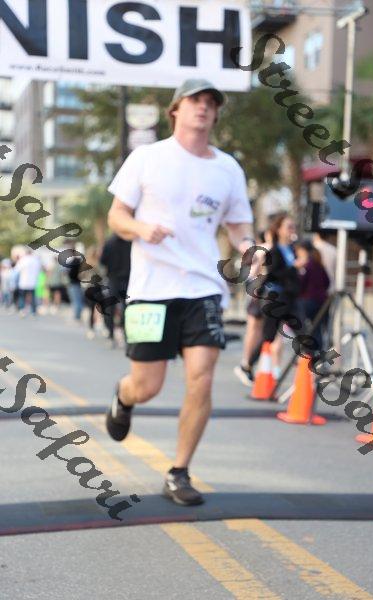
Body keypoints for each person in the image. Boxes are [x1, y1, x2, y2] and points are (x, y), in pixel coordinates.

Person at [105, 79, 254, 506]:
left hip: (203, 287)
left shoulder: (227, 168)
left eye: (211, 102)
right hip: (150, 290)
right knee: (146, 385)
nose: (203, 107)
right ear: (175, 110)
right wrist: (140, 228)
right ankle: (123, 397)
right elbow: (117, 216)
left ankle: (179, 472)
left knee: (201, 379)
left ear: (216, 113)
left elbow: (238, 226)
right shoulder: (147, 157)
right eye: (195, 100)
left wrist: (250, 247)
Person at [234, 228, 282, 386]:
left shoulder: (261, 250)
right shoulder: (270, 249)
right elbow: (255, 272)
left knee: (255, 330)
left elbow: (250, 273)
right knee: (269, 332)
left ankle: (247, 362)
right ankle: (272, 368)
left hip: (259, 292)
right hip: (265, 293)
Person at [260, 214, 301, 346]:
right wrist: (294, 268)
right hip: (277, 297)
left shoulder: (294, 249)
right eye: (289, 227)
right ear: (279, 230)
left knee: (303, 333)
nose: (292, 230)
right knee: (269, 335)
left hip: (291, 296)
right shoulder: (273, 251)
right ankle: (253, 359)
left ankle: (312, 357)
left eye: (293, 227)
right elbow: (273, 273)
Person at [295, 241, 330, 350]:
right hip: (322, 301)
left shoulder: (306, 266)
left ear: (303, 251)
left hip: (308, 300)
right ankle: (318, 352)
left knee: (304, 328)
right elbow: (327, 281)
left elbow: (300, 284)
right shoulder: (318, 264)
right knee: (317, 328)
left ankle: (309, 352)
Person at [100, 233, 131, 344]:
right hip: (128, 279)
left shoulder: (109, 242)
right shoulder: (131, 241)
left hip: (113, 279)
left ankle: (111, 334)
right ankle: (126, 334)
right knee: (127, 307)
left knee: (110, 308)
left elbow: (102, 260)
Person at [14, 248, 42, 315]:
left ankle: (22, 309)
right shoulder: (36, 260)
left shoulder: (23, 260)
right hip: (33, 282)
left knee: (22, 297)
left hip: (23, 282)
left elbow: (16, 270)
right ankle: (33, 311)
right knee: (33, 297)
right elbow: (39, 270)